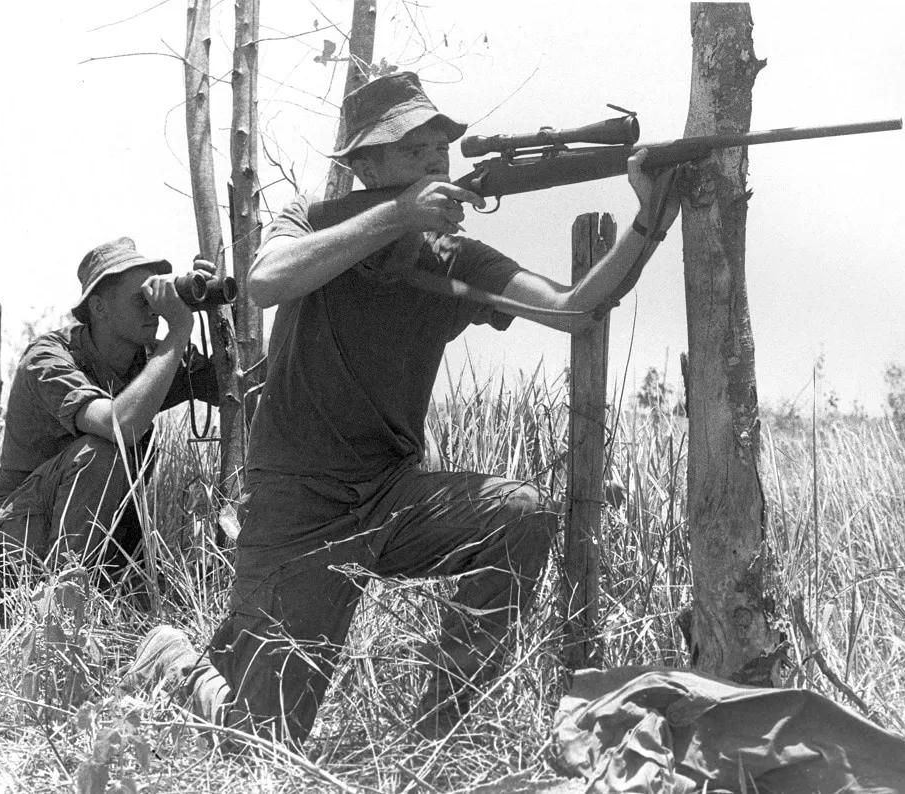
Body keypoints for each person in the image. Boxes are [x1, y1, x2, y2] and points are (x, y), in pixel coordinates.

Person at [131, 72, 680, 744]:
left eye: (438, 147)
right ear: (364, 166)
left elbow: (573, 310)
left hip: (390, 496)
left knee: (520, 515)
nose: (432, 159)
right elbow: (269, 280)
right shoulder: (309, 222)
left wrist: (649, 219)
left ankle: (432, 740)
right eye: (410, 148)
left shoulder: (457, 256)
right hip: (295, 504)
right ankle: (178, 666)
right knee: (261, 741)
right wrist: (398, 215)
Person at [0, 237, 219, 620]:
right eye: (141, 298)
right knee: (104, 451)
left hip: (95, 538)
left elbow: (240, 383)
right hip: (11, 543)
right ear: (99, 307)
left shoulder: (150, 359)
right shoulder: (48, 360)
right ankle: (58, 618)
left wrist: (221, 306)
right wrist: (178, 331)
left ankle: (81, 601)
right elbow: (122, 425)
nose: (153, 307)